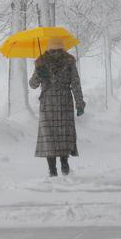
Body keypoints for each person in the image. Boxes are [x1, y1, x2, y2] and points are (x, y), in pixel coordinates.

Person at [29, 37, 86, 176]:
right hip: (64, 101)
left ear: (49, 47)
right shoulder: (69, 61)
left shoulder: (41, 62)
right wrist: (79, 103)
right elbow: (76, 84)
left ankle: (52, 169)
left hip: (48, 103)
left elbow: (33, 85)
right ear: (62, 47)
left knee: (49, 135)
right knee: (63, 133)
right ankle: (65, 164)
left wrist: (40, 74)